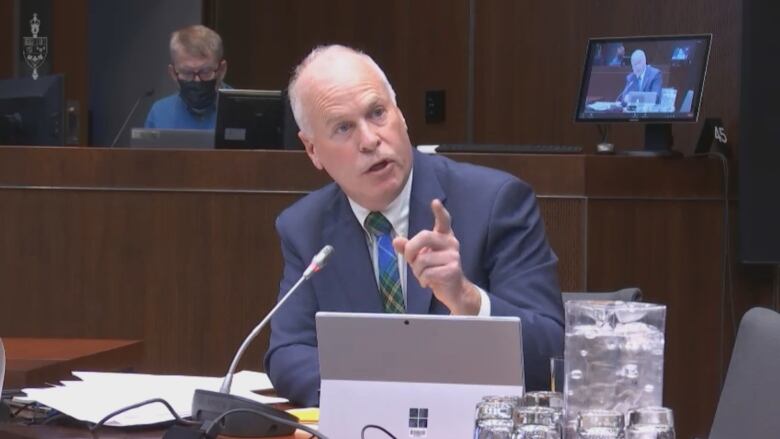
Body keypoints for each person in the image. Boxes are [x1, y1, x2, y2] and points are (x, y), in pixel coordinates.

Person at [264, 45, 564, 407]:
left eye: (377, 113)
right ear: (312, 149)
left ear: (401, 116)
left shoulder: (495, 202)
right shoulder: (304, 227)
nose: (370, 140)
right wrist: (380, 399)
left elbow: (552, 355)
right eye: (343, 127)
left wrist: (466, 299)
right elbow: (288, 353)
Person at [144, 25, 228, 129]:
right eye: (187, 73)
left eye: (205, 71)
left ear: (221, 70)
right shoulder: (159, 113)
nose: (197, 80)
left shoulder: (242, 110)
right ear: (173, 73)